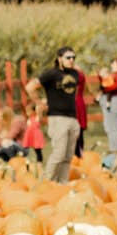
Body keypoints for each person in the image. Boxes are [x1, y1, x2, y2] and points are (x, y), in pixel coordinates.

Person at [32, 47, 82, 182]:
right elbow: (30, 86)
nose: (71, 60)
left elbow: (74, 93)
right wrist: (39, 103)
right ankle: (47, 182)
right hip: (57, 118)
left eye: (73, 57)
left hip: (72, 117)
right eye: (68, 57)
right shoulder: (51, 74)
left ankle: (62, 183)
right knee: (59, 154)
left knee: (67, 156)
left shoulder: (75, 74)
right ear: (60, 58)